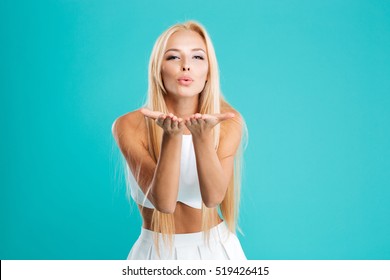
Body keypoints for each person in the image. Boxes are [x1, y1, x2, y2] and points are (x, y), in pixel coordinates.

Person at [112, 20, 247, 260]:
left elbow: (214, 197)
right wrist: (171, 136)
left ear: (209, 72)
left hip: (217, 251)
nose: (186, 66)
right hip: (155, 253)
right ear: (158, 68)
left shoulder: (228, 121)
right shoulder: (128, 125)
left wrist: (202, 137)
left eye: (197, 57)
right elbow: (163, 202)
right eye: (173, 57)